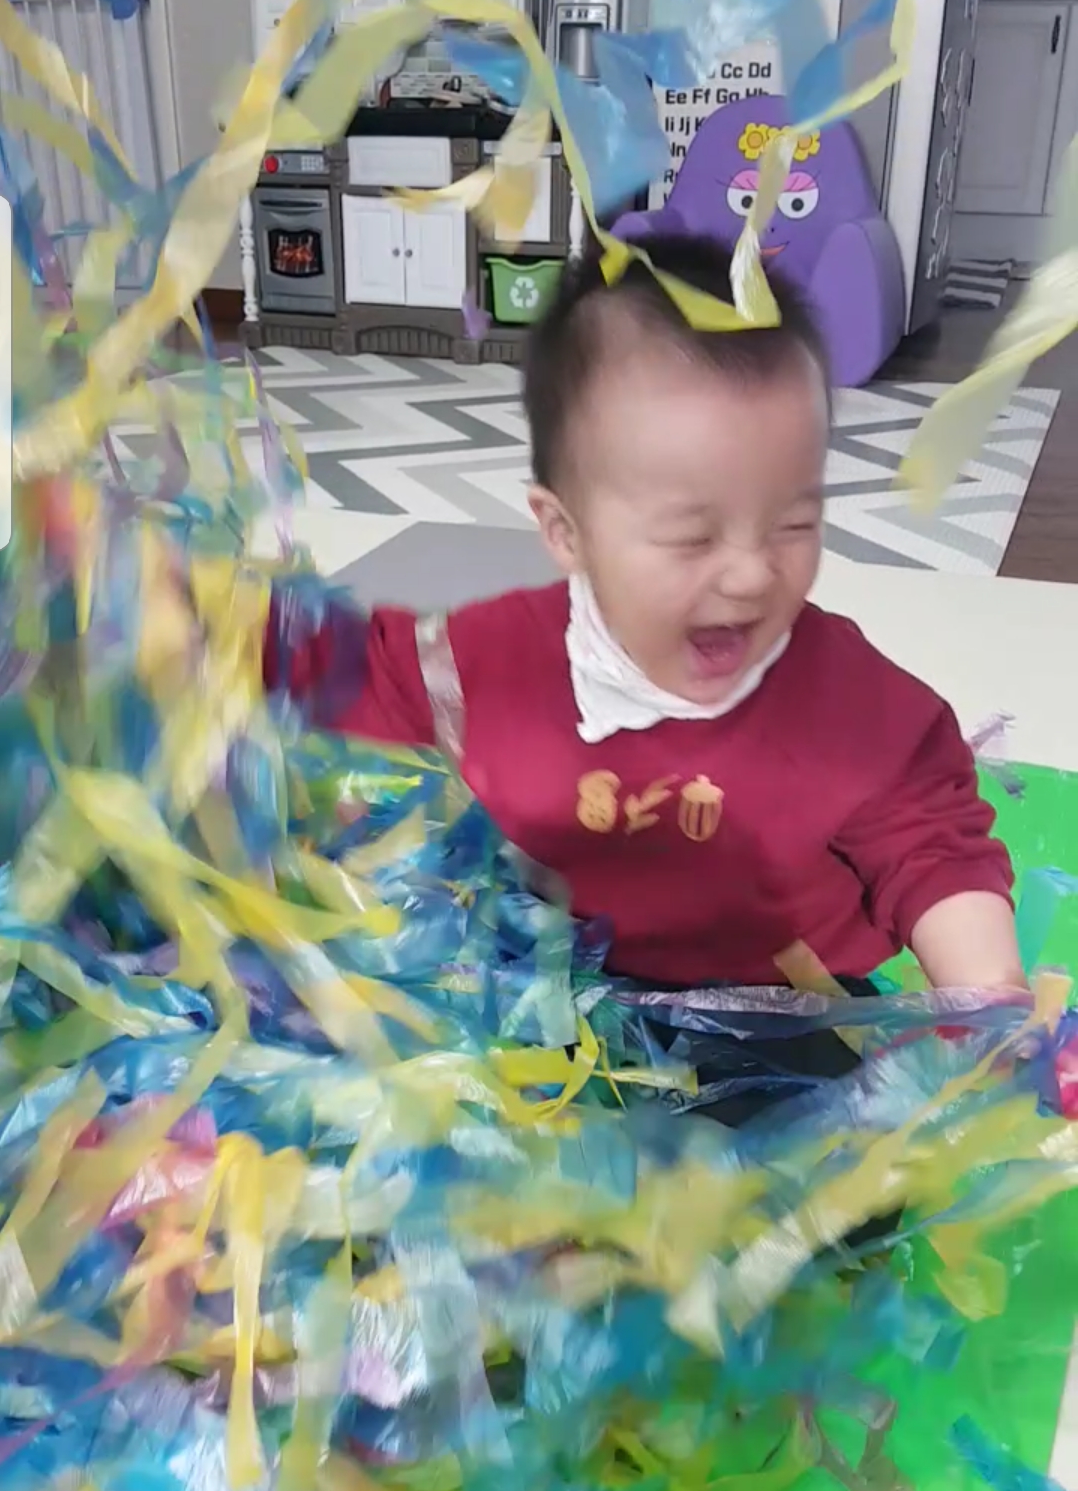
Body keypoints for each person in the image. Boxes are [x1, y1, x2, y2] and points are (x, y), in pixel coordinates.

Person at [267, 232, 1024, 1013]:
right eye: (693, 536)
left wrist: (991, 1002)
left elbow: (935, 850)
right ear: (567, 532)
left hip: (784, 1011)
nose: (751, 574)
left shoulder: (850, 704)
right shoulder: (488, 661)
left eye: (793, 524)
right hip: (563, 990)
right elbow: (341, 667)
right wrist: (211, 626)